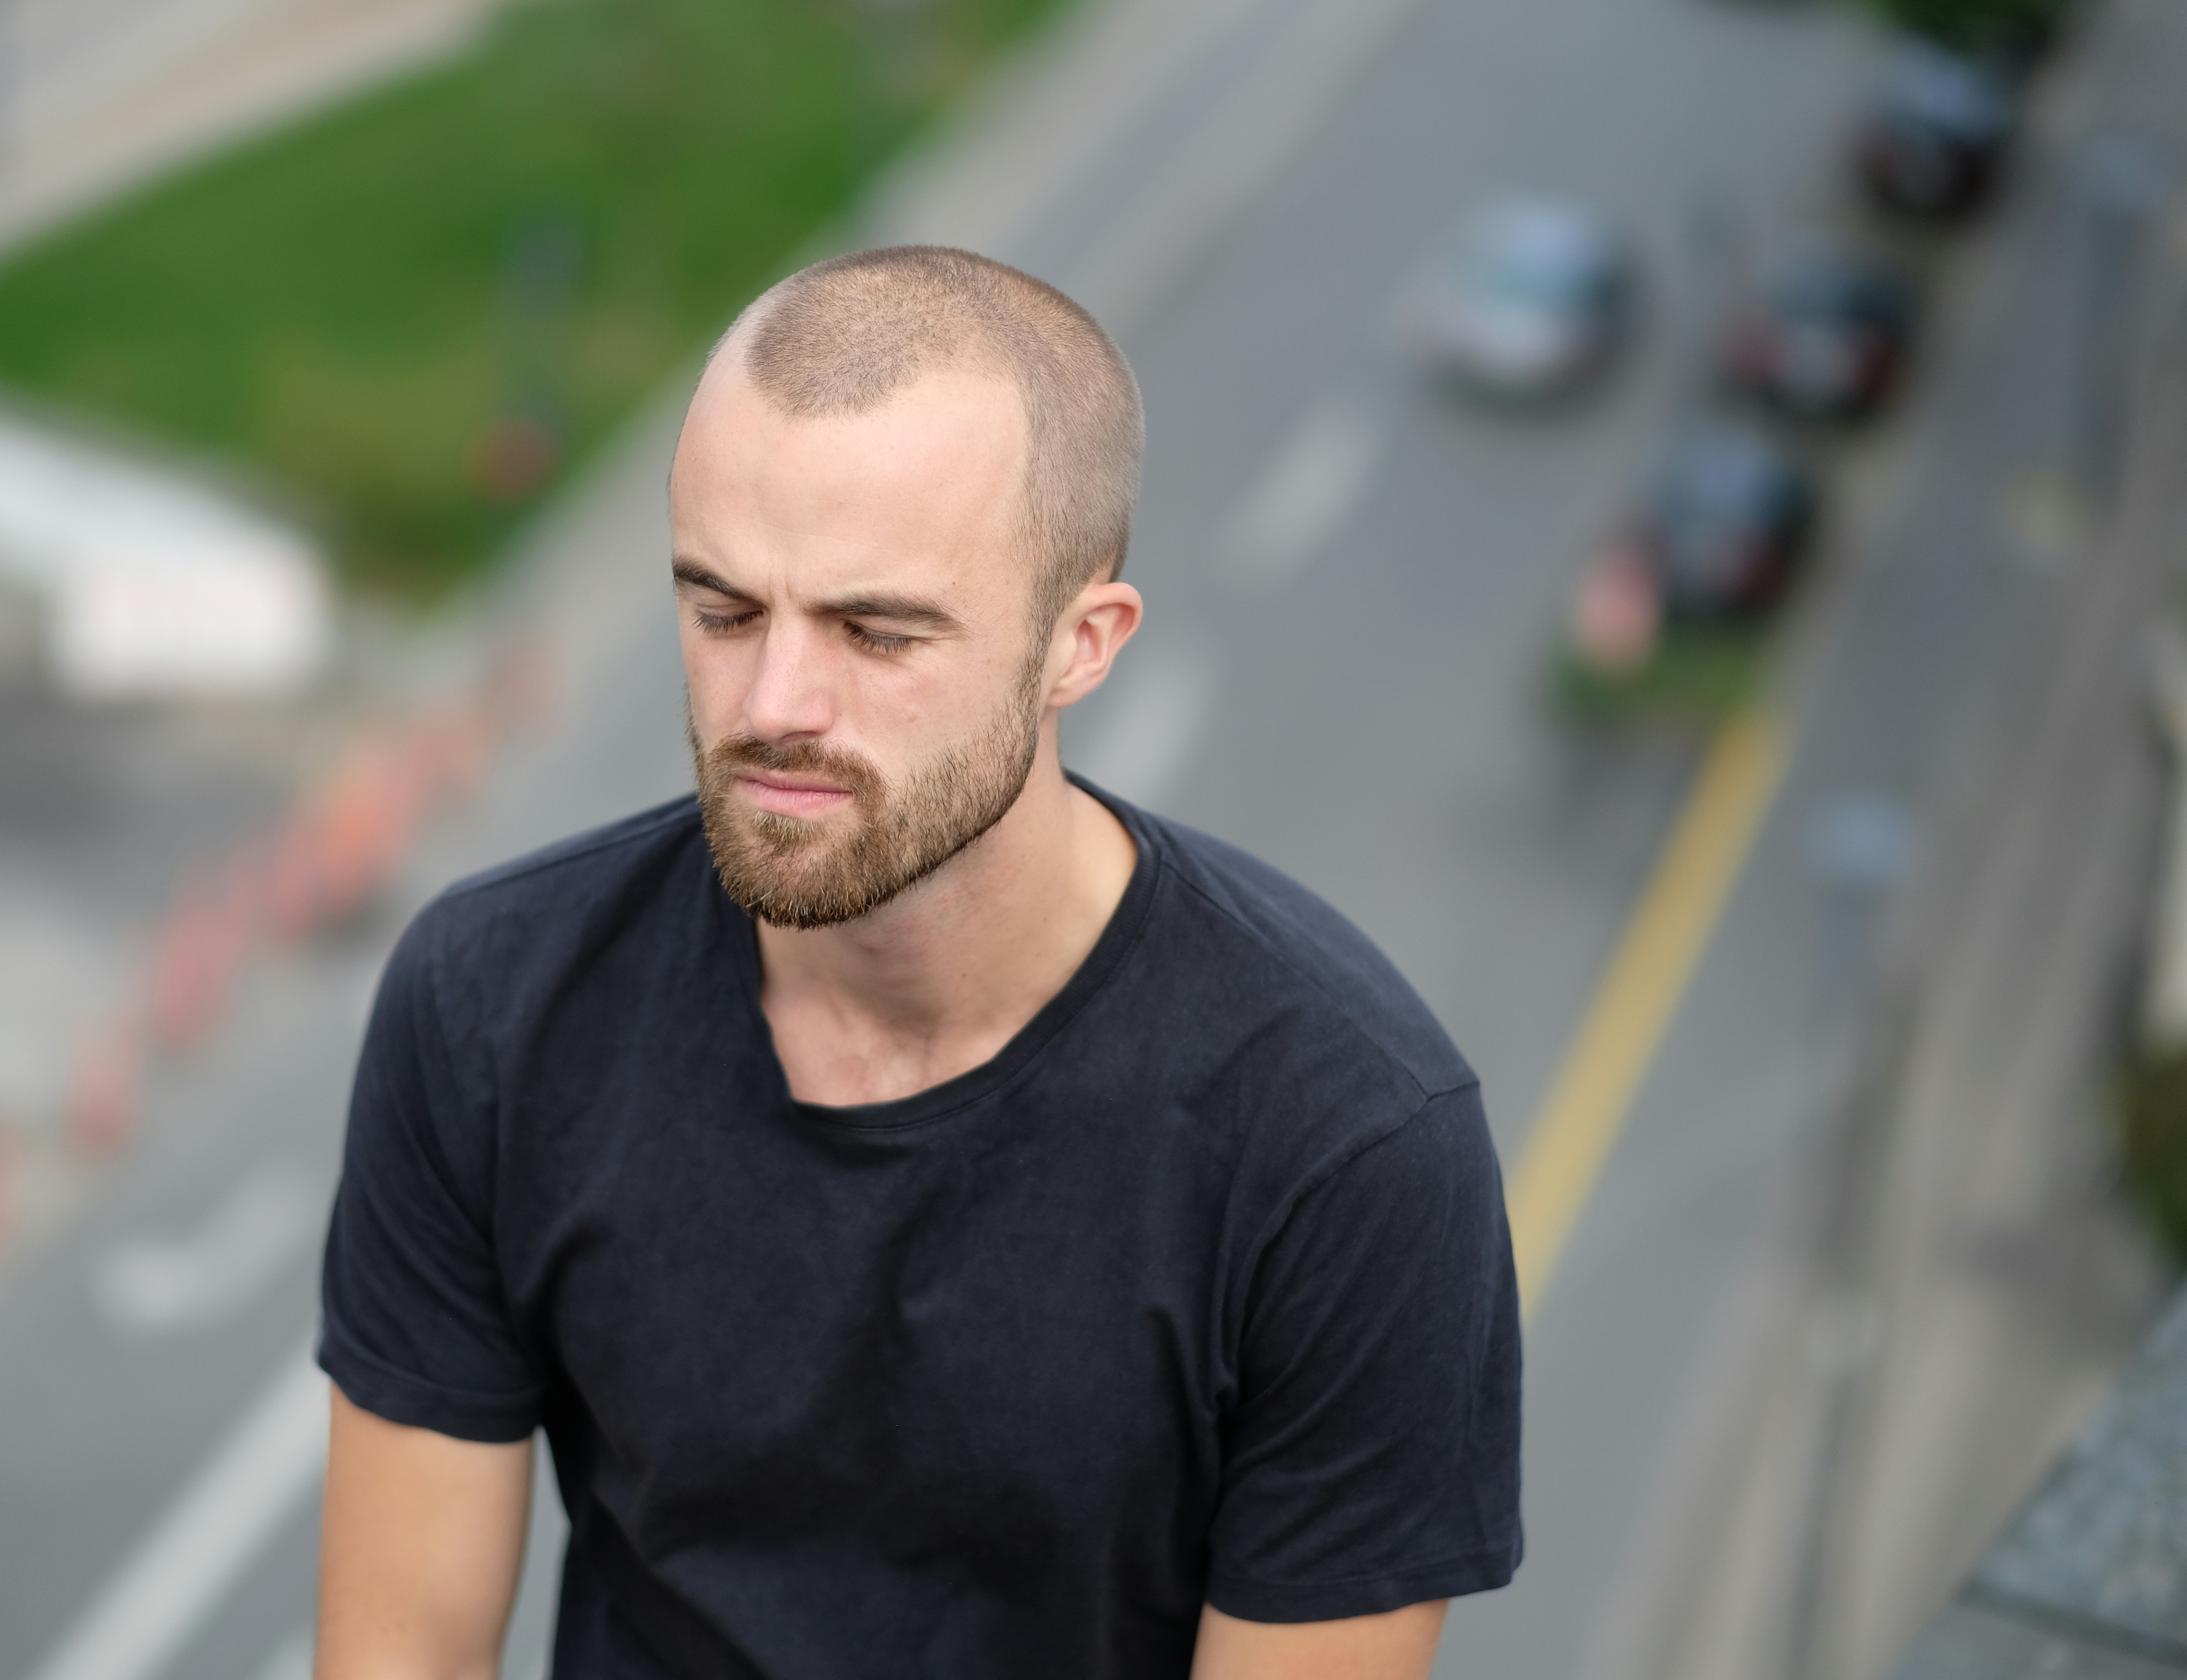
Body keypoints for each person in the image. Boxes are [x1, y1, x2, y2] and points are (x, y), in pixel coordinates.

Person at [316, 246, 1522, 1680]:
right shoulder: (491, 1004)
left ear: (1082, 644)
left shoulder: (1350, 1144)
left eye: (875, 632)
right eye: (722, 612)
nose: (774, 707)